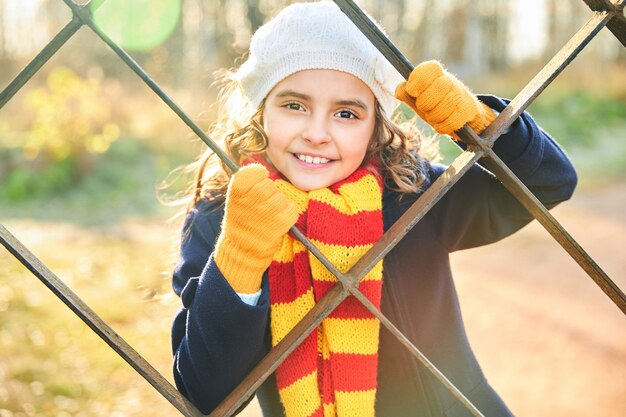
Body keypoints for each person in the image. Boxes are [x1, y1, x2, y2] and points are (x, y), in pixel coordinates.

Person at [170, 1, 577, 416]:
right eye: (294, 105)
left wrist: (480, 125)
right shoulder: (223, 218)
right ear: (260, 112)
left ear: (376, 126)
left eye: (346, 113)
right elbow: (204, 393)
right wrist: (238, 258)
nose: (316, 134)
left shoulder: (409, 193)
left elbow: (551, 182)